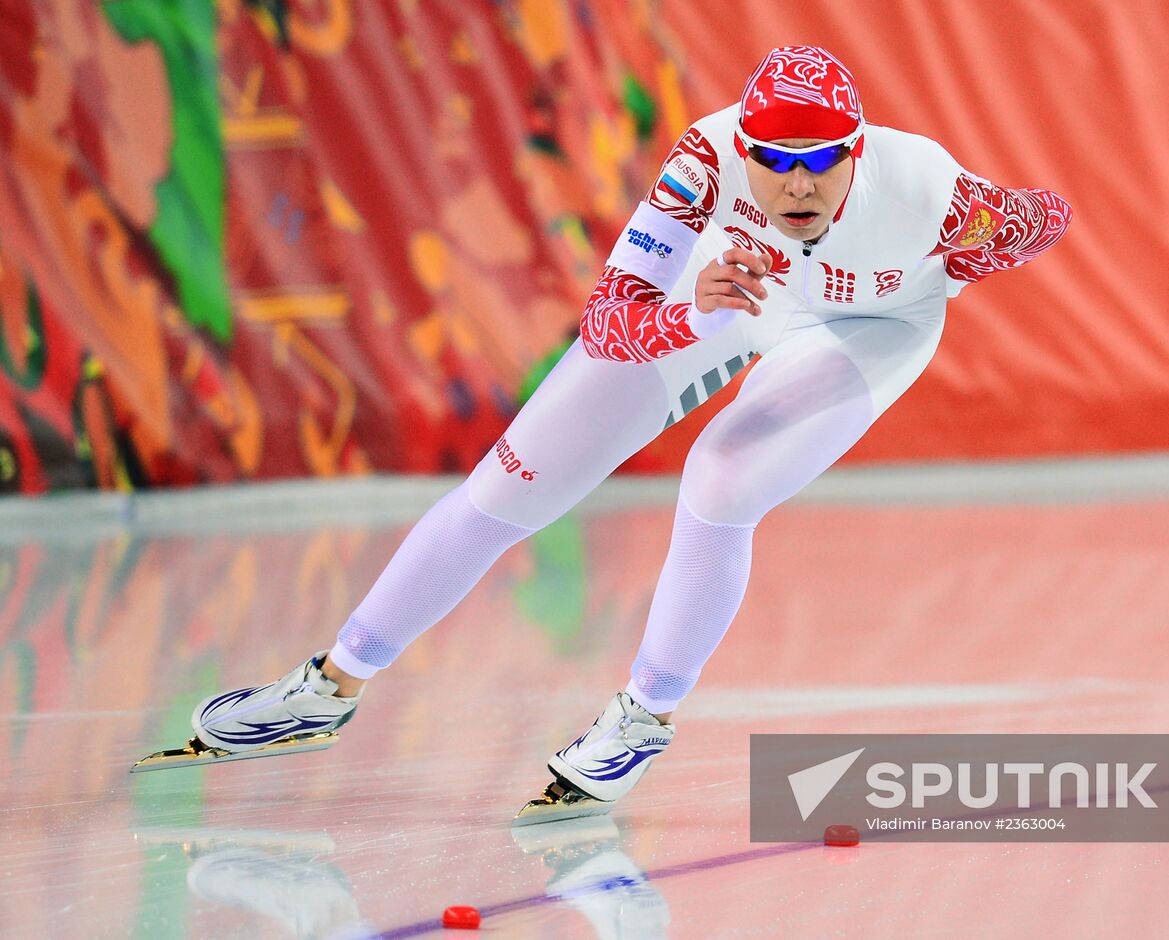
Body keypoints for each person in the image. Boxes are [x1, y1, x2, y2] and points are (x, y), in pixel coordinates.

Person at [161, 46, 1072, 822]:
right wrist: (692, 320)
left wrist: (980, 251)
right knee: (513, 481)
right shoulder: (704, 162)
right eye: (774, 160)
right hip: (728, 299)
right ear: (742, 146)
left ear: (857, 152)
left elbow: (1046, 217)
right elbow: (608, 320)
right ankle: (331, 684)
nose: (798, 184)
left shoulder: (929, 189)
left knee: (720, 478)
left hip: (869, 327)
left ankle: (644, 714)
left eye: (823, 161)